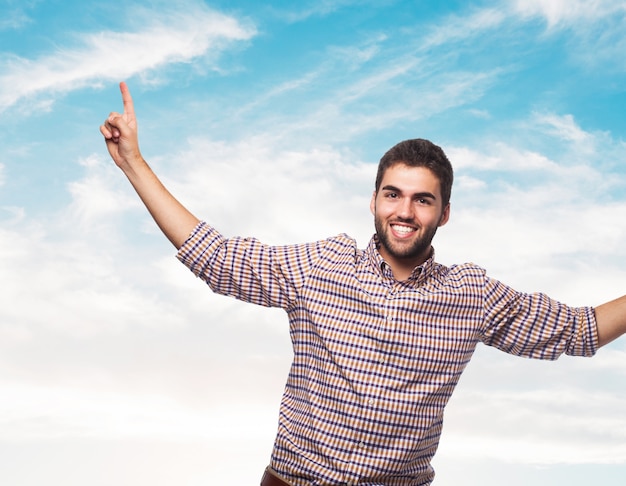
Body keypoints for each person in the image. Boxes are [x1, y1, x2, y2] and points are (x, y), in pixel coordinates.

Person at [101, 82, 626, 486]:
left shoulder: (472, 295)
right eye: (393, 194)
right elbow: (215, 257)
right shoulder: (322, 266)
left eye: (423, 199)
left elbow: (578, 330)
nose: (405, 211)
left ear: (444, 213)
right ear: (373, 201)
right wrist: (134, 163)